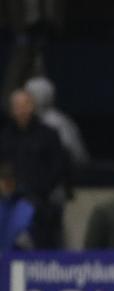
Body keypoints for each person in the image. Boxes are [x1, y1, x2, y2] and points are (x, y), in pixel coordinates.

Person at [0, 89, 69, 248]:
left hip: (38, 199)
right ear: (11, 109)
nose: (21, 110)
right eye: (17, 106)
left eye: (25, 105)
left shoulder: (48, 135)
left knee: (24, 216)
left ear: (32, 106)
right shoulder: (4, 137)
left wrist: (39, 189)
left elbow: (58, 169)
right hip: (7, 197)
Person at [24, 76, 90, 166]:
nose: (26, 101)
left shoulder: (56, 122)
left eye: (30, 96)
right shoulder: (28, 121)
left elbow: (74, 156)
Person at [0, 161, 35, 252]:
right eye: (4, 180)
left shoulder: (27, 209)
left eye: (10, 180)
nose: (7, 184)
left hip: (17, 259)